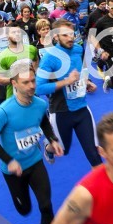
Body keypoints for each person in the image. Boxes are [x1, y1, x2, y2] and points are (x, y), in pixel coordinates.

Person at [0, 61, 63, 224]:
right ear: (14, 84)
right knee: (25, 209)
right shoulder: (4, 111)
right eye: (25, 82)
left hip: (35, 162)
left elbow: (44, 122)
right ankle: (22, 200)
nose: (31, 86)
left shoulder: (40, 104)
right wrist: (9, 161)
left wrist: (52, 140)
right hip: (14, 172)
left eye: (33, 80)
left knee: (46, 205)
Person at [36, 19, 102, 168]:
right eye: (65, 35)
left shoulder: (78, 50)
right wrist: (66, 82)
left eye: (72, 34)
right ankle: (48, 147)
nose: (70, 38)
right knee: (62, 150)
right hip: (61, 112)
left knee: (93, 153)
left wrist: (87, 82)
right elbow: (38, 88)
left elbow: (79, 73)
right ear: (56, 37)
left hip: (82, 108)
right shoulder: (49, 58)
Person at [0, 25, 38, 100]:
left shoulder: (32, 49)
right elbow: (0, 80)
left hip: (33, 93)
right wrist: (16, 79)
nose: (17, 34)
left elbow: (36, 63)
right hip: (14, 96)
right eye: (13, 32)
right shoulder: (2, 57)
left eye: (18, 32)